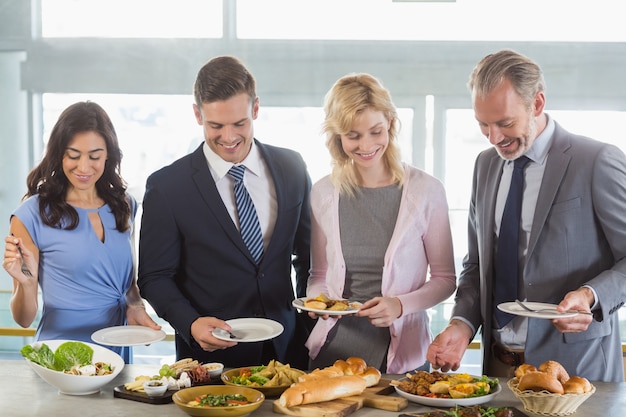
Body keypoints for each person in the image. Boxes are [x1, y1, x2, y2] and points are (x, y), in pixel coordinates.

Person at [427, 49, 626, 382]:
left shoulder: (596, 161)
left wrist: (590, 296)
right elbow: (477, 266)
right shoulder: (485, 166)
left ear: (536, 104)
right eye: (483, 125)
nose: (494, 138)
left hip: (575, 373)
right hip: (498, 370)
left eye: (505, 123)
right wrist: (461, 325)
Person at [137, 56, 312, 369]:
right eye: (215, 125)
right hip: (212, 359)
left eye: (239, 124)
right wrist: (190, 323)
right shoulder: (168, 187)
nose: (229, 137)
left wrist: (309, 311)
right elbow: (154, 277)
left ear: (255, 109)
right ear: (197, 113)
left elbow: (307, 254)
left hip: (289, 351)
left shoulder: (292, 167)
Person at [304, 73, 457, 374]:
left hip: (403, 361)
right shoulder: (323, 193)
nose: (366, 145)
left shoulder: (427, 191)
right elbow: (318, 274)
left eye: (375, 131)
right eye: (353, 135)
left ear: (389, 120)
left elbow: (445, 279)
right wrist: (317, 298)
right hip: (332, 355)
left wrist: (399, 305)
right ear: (338, 136)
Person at [2, 101, 160, 363]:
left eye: (94, 156)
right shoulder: (30, 215)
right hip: (60, 357)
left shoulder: (124, 204)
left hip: (116, 351)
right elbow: (23, 319)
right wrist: (28, 283)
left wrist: (135, 305)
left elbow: (127, 280)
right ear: (58, 154)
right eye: (73, 156)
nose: (84, 168)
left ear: (108, 155)